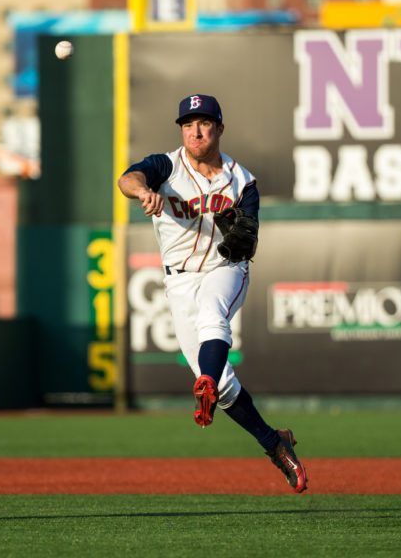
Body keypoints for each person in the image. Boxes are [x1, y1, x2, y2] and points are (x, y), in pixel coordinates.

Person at [118, 93, 308, 493]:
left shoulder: (242, 181)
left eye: (204, 123)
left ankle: (203, 379)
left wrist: (239, 232)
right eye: (188, 124)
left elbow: (246, 239)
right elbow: (126, 179)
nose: (195, 131)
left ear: (220, 128)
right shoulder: (166, 165)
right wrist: (141, 192)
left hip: (225, 268)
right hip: (179, 280)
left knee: (212, 314)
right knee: (223, 388)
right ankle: (275, 443)